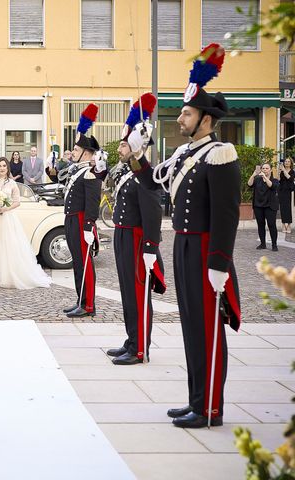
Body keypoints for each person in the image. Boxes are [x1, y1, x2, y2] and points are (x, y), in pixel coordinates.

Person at [136, 44, 241, 429]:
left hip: (204, 251)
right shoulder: (183, 154)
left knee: (208, 328)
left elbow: (228, 215)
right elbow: (152, 182)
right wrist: (136, 156)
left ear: (205, 119)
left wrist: (219, 265)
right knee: (191, 326)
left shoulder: (221, 153)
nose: (180, 118)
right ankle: (196, 398)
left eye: (186, 113)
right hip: (182, 244)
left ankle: (211, 408)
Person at [107, 93, 166, 366]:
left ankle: (140, 348)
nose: (120, 149)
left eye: (125, 144)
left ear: (136, 146)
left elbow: (153, 212)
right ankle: (132, 340)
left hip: (137, 239)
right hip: (123, 234)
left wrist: (151, 248)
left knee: (138, 294)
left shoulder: (146, 174)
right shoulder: (129, 173)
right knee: (127, 292)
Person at [0, 157, 51, 289]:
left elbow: (17, 202)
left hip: (7, 216)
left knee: (7, 245)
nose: (2, 168)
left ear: (7, 168)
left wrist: (5, 209)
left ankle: (7, 275)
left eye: (4, 166)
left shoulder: (12, 183)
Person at [62, 103, 101, 319]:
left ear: (87, 153)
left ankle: (88, 305)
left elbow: (92, 203)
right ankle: (80, 300)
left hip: (80, 222)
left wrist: (89, 226)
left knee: (85, 263)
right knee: (78, 262)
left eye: (76, 150)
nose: (73, 153)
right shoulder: (78, 170)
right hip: (71, 220)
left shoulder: (91, 173)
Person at [248, 162, 279, 251]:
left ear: (270, 170)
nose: (265, 170)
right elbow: (249, 184)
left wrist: (265, 177)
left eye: (267, 168)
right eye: (263, 168)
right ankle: (263, 244)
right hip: (258, 205)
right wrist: (253, 175)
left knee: (271, 225)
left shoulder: (274, 180)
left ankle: (274, 244)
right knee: (260, 225)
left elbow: (272, 186)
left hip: (270, 206)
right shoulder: (257, 179)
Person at [278, 158, 294, 233]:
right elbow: (279, 180)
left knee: (289, 208)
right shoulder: (281, 171)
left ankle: (289, 225)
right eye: (285, 161)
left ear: (291, 163)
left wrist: (283, 170)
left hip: (289, 191)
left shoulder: (292, 171)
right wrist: (279, 172)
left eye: (288, 162)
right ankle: (283, 224)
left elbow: (290, 178)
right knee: (283, 208)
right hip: (282, 191)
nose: (287, 163)